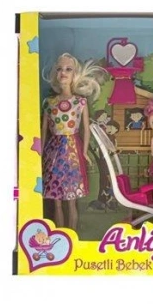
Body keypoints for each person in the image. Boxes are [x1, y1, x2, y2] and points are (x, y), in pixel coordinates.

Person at [41, 53, 106, 230]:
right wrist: (40, 152)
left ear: (75, 74)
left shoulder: (80, 102)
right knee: (56, 201)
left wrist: (84, 152)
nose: (63, 72)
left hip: (72, 152)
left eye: (68, 69)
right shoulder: (49, 102)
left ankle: (72, 234)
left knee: (71, 201)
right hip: (53, 154)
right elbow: (44, 131)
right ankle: (60, 233)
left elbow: (86, 129)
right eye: (59, 69)